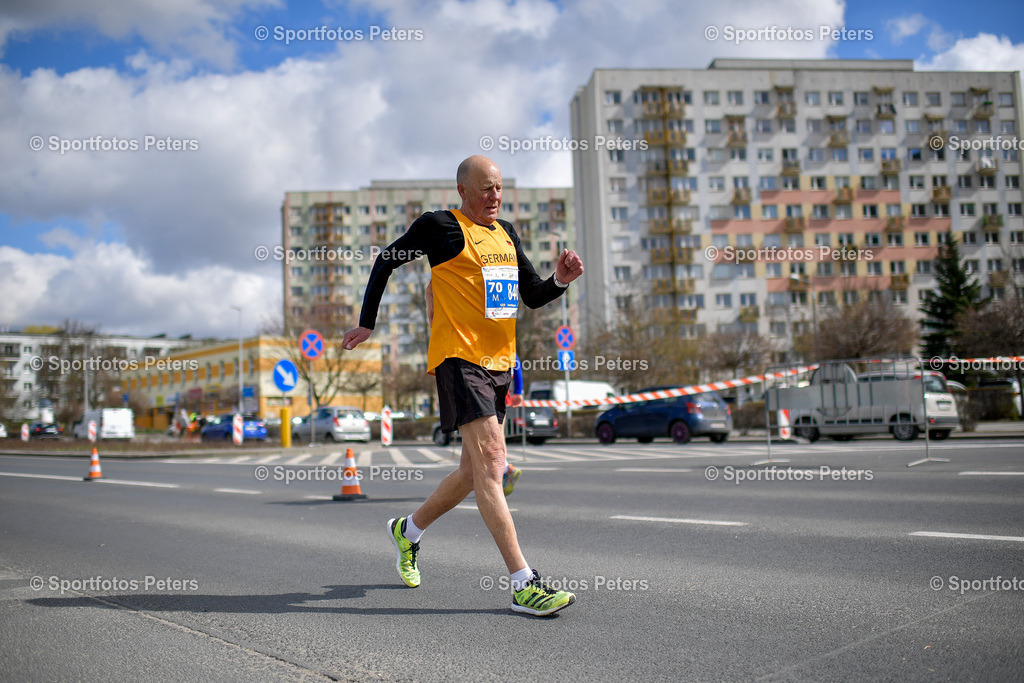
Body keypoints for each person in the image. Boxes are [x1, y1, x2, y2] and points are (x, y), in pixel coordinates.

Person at [343, 155, 583, 616]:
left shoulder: (506, 234)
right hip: (458, 358)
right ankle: (523, 584)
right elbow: (385, 260)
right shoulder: (440, 226)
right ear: (463, 190)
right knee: (493, 463)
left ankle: (408, 531)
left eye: (499, 188)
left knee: (473, 473)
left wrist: (560, 281)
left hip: (499, 364)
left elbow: (532, 295)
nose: (495, 196)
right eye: (486, 188)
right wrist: (367, 322)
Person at [426, 279, 522, 497]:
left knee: (486, 456)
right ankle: (500, 471)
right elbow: (515, 360)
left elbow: (432, 318)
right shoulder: (490, 313)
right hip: (491, 376)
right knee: (483, 458)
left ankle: (501, 470)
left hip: (474, 370)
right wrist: (519, 390)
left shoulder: (443, 287)